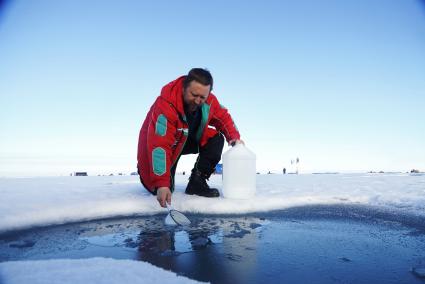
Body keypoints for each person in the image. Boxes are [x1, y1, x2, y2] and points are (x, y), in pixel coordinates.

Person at [137, 68, 243, 208]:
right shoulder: (166, 104)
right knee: (164, 190)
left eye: (202, 97)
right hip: (159, 151)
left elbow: (223, 117)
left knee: (216, 138)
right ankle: (156, 181)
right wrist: (161, 183)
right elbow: (159, 146)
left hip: (185, 139)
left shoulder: (209, 101)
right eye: (194, 95)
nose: (198, 100)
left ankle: (197, 183)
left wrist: (234, 138)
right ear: (184, 88)